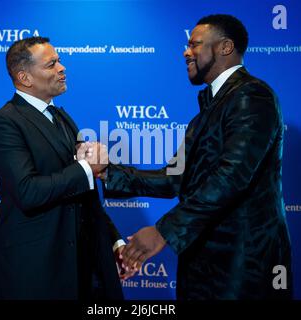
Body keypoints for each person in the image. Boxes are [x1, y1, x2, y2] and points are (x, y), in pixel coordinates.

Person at [102, 14, 293, 299]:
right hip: (203, 259)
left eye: (195, 44)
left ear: (225, 47)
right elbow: (176, 177)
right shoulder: (208, 110)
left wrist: (164, 231)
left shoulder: (252, 96)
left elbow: (231, 178)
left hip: (243, 262)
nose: (185, 52)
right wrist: (107, 173)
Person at [0, 36, 128, 300]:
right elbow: (27, 191)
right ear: (25, 77)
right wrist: (86, 168)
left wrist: (112, 240)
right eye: (51, 64)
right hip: (37, 272)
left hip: (81, 267)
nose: (62, 68)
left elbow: (82, 194)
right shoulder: (4, 122)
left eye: (59, 61)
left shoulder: (61, 116)